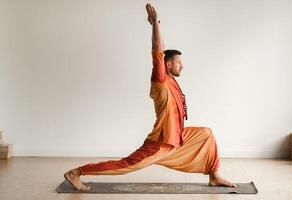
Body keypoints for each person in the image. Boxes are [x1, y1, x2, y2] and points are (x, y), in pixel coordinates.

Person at [63, 3, 238, 191]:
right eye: (179, 63)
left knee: (206, 134)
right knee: (126, 165)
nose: (182, 66)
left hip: (177, 136)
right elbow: (157, 50)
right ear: (168, 65)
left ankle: (214, 176)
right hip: (161, 142)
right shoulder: (160, 80)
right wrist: (155, 23)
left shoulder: (172, 81)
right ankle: (77, 172)